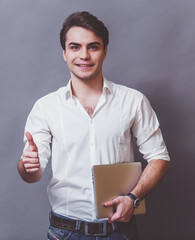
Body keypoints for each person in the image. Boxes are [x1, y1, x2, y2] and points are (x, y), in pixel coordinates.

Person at [17, 11, 170, 240]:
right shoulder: (45, 107)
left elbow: (160, 157)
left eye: (93, 47)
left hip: (119, 231)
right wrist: (26, 165)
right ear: (64, 53)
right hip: (64, 232)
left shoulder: (133, 101)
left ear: (105, 51)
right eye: (75, 47)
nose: (84, 55)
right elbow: (32, 174)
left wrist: (133, 198)